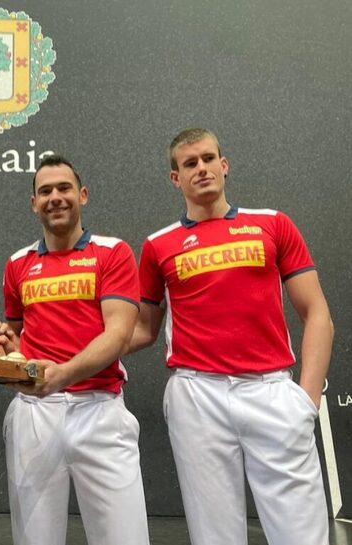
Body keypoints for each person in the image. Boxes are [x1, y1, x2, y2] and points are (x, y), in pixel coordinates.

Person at [128, 127, 334, 545]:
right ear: (175, 178)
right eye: (190, 163)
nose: (201, 169)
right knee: (214, 536)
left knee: (302, 535)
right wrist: (68, 352)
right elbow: (142, 329)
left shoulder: (272, 224)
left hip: (272, 392)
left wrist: (307, 401)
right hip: (196, 396)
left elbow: (317, 315)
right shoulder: (158, 245)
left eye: (208, 159)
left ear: (224, 165)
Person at [0, 155, 150, 545]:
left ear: (83, 194)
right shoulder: (18, 264)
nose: (55, 197)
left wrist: (62, 375)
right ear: (33, 203)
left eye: (64, 188)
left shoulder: (113, 252)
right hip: (34, 414)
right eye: (45, 191)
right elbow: (17, 338)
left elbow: (119, 334)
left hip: (100, 409)